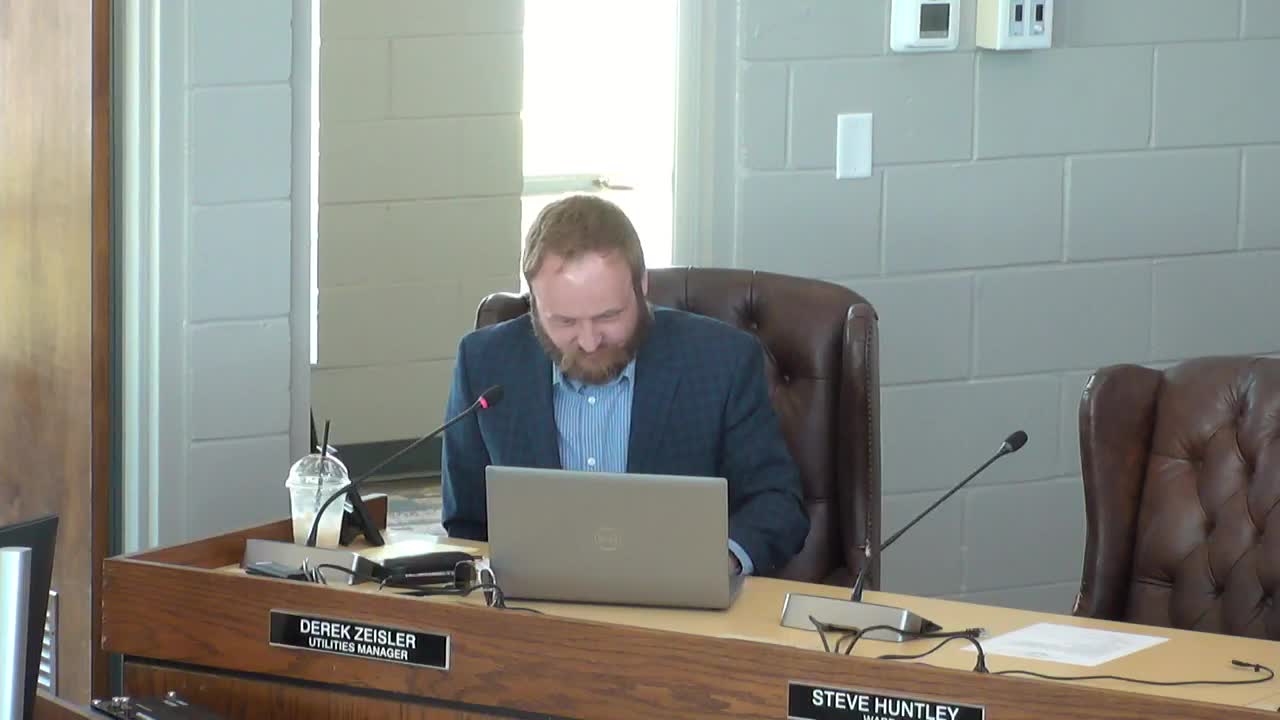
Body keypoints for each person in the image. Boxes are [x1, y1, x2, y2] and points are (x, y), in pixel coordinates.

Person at [440, 194, 809, 576]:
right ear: (533, 300)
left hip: (677, 595)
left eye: (608, 316)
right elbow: (466, 520)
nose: (589, 342)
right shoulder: (484, 363)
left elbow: (777, 503)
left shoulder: (722, 360)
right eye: (564, 321)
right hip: (531, 599)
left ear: (642, 285)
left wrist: (717, 563)